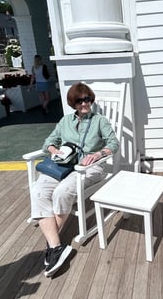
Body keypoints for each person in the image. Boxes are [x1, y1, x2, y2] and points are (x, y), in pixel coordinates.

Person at [29, 82, 119, 278]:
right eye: (79, 100)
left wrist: (97, 154)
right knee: (38, 191)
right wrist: (55, 150)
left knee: (62, 192)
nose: (84, 103)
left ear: (91, 100)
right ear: (73, 103)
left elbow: (114, 143)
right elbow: (48, 143)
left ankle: (52, 244)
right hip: (64, 166)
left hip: (90, 167)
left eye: (87, 99)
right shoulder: (65, 121)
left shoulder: (99, 121)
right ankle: (56, 247)